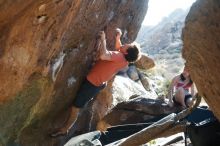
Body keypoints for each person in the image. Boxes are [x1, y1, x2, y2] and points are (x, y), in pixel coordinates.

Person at [52, 29, 141, 137]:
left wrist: (103, 39)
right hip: (98, 83)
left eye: (128, 45)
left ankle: (65, 129)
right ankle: (66, 128)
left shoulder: (119, 56)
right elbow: (119, 47)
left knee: (76, 107)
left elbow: (103, 55)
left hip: (92, 84)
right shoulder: (124, 60)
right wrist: (118, 38)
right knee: (78, 104)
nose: (126, 44)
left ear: (126, 52)